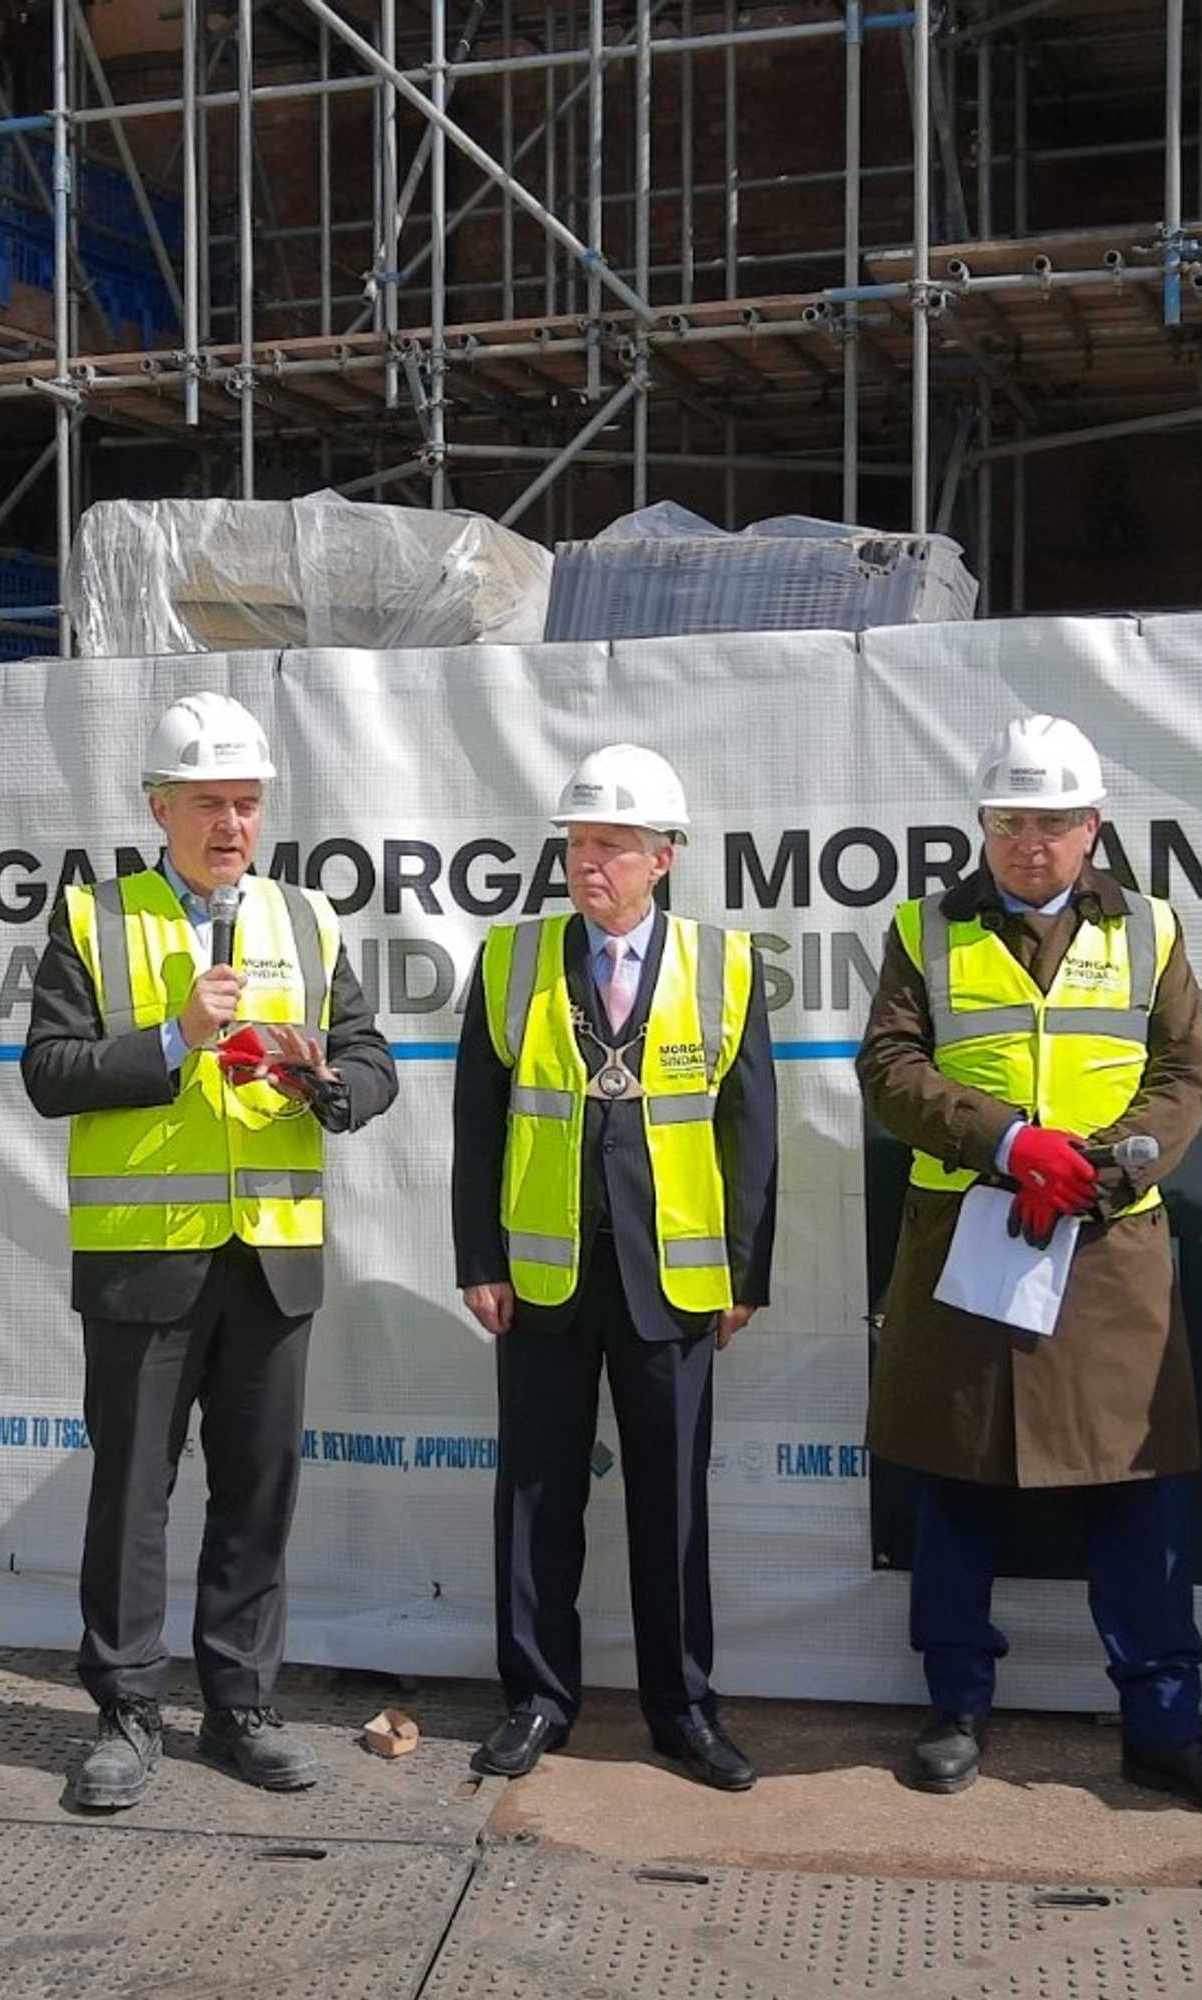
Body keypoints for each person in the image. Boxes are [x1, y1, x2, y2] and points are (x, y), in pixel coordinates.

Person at [857, 714, 1202, 1818]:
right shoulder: (924, 925)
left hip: (1108, 1240)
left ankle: (1165, 1724)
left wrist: (1109, 1164)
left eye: (1048, 821)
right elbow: (889, 1067)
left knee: (1136, 1492)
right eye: (1006, 821)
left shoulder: (1151, 926)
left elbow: (1188, 1070)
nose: (1025, 842)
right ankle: (955, 1707)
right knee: (957, 1486)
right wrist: (1006, 1140)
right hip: (970, 1241)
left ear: (1092, 826)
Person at [22, 689, 397, 1810]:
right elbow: (50, 1072)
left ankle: (241, 1705)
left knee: (257, 1492)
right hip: (145, 1260)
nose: (230, 824)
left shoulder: (308, 917)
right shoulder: (94, 917)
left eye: (246, 802)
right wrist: (176, 1036)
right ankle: (126, 1709)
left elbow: (371, 1056)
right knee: (134, 1492)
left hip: (271, 1256)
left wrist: (335, 1084)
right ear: (158, 806)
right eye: (206, 803)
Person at [452, 744, 777, 1791]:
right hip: (544, 1277)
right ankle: (538, 1697)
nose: (590, 863)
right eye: (579, 842)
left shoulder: (725, 965)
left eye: (614, 845)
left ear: (663, 856)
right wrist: (479, 1257)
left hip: (674, 1282)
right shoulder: (510, 958)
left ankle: (682, 1709)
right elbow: (476, 1123)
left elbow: (752, 1131)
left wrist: (743, 1271)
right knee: (538, 1495)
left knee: (671, 1503)